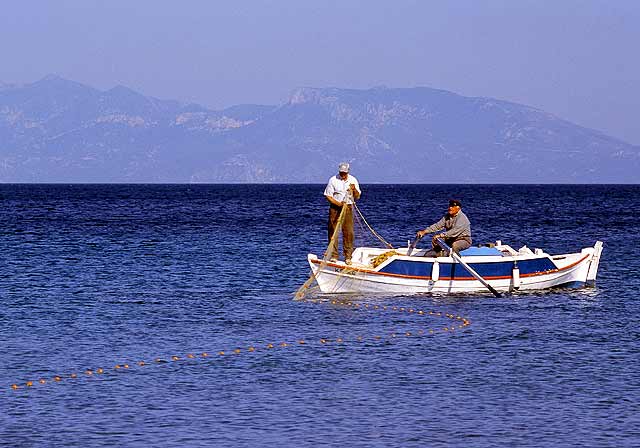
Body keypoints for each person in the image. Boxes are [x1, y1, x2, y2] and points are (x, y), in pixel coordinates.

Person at [324, 162, 361, 264]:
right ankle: (334, 255)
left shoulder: (353, 180)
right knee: (333, 231)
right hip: (335, 207)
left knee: (348, 232)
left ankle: (348, 256)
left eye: (345, 173)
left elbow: (357, 196)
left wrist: (354, 190)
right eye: (341, 173)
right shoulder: (333, 180)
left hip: (348, 207)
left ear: (348, 171)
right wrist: (339, 204)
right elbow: (328, 195)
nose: (343, 175)